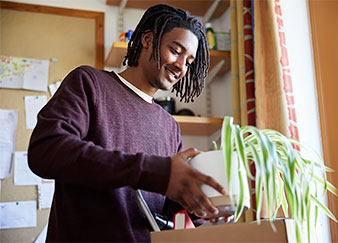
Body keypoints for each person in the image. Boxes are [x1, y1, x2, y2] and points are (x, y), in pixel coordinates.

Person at [28, 4, 227, 242]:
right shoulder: (90, 83)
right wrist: (154, 171)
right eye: (175, 50)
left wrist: (202, 203)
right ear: (147, 39)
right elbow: (47, 151)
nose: (181, 66)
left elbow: (167, 211)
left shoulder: (169, 125)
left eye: (189, 61)